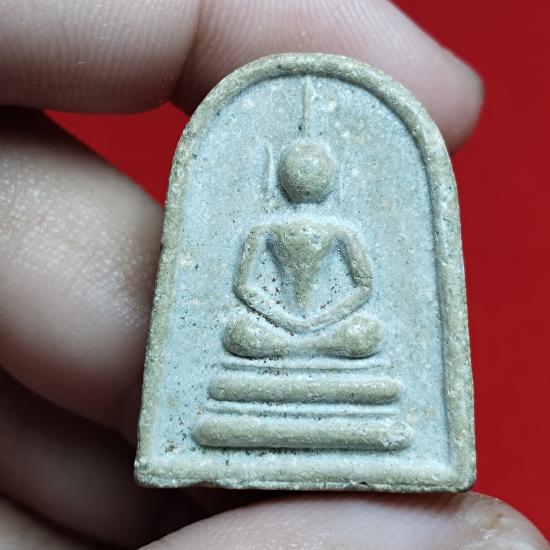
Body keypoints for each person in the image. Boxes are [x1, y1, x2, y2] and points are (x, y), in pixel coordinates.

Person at [0, 1, 547, 548]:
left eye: (313, 172)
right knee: (240, 335)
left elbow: (361, 288)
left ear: (325, 179)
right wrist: (283, 318)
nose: (305, 179)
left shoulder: (341, 230)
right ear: (286, 177)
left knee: (365, 336)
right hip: (274, 331)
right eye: (298, 171)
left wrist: (321, 321)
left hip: (329, 332)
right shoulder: (264, 230)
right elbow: (244, 286)